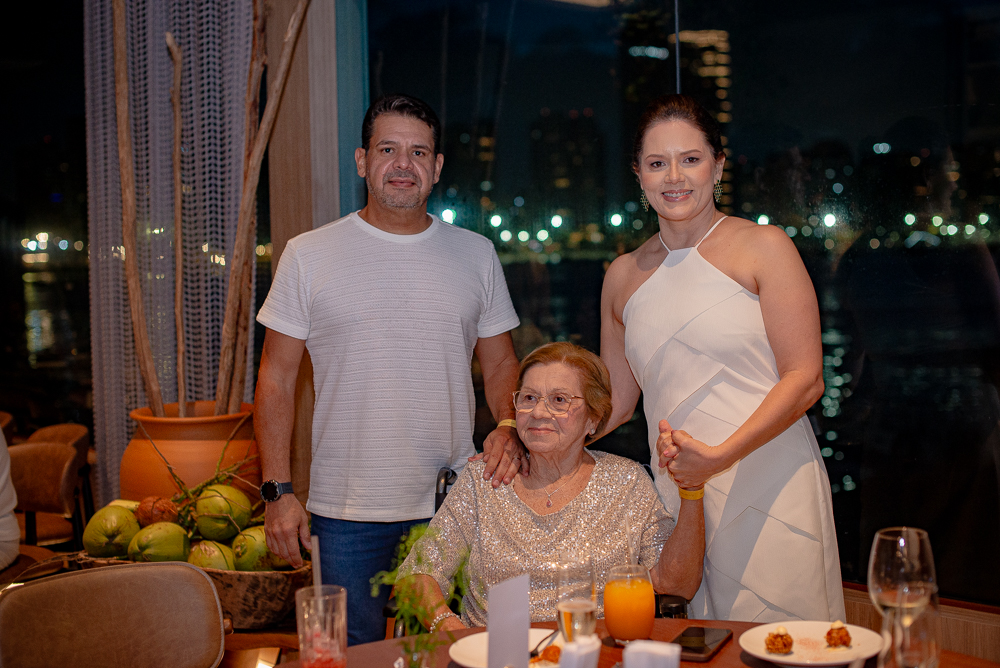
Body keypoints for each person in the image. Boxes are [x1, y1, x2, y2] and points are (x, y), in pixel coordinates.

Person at [255, 94, 524, 645]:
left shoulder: (476, 254)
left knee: (449, 652)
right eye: (388, 149)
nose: (404, 164)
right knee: (346, 656)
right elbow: (275, 380)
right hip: (344, 512)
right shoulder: (308, 254)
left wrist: (508, 426)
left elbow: (501, 363)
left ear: (437, 166)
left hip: (451, 501)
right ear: (362, 161)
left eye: (418, 151)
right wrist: (278, 492)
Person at [599, 94, 845, 622]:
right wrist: (525, 436)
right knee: (695, 642)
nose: (674, 177)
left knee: (786, 644)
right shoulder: (622, 275)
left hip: (771, 479)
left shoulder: (765, 246)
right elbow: (615, 403)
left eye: (690, 159)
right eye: (657, 163)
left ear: (718, 165)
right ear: (639, 175)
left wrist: (718, 456)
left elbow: (805, 380)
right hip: (677, 491)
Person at [396, 342, 705, 630]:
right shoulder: (485, 478)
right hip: (496, 657)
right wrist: (452, 629)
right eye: (529, 398)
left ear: (593, 418)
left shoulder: (626, 481)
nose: (539, 412)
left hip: (592, 656)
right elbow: (416, 575)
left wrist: (691, 489)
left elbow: (674, 584)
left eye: (559, 400)